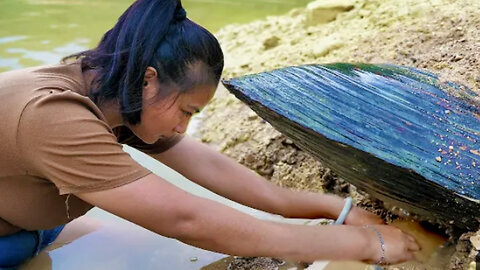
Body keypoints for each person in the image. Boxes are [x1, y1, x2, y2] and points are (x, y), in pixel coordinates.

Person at [0, 0, 420, 268]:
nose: (183, 126)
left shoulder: (113, 93)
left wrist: (337, 211)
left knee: (142, 253)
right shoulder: (53, 116)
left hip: (33, 228)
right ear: (149, 80)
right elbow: (186, 218)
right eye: (186, 111)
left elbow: (214, 172)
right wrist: (362, 245)